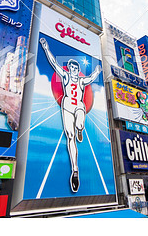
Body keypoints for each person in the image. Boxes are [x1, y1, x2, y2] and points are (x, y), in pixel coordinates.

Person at [40, 37, 102, 192]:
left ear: (77, 69)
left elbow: (91, 78)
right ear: (69, 68)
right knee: (70, 136)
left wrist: (96, 71)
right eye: (72, 68)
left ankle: (80, 128)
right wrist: (46, 48)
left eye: (76, 68)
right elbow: (54, 63)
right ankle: (75, 170)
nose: (74, 70)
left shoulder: (81, 81)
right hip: (67, 106)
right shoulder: (66, 77)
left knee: (80, 122)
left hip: (79, 106)